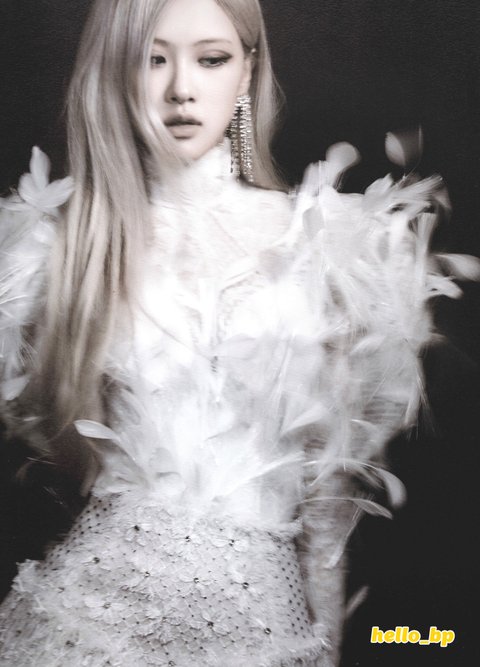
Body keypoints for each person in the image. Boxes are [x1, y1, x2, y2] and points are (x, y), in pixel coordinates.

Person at [0, 0, 476, 665]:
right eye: (152, 59)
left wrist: (325, 645)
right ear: (114, 72)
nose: (181, 88)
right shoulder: (65, 248)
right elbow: (49, 447)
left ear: (247, 70)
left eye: (211, 58)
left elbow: (330, 493)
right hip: (87, 628)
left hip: (262, 627)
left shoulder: (328, 242)